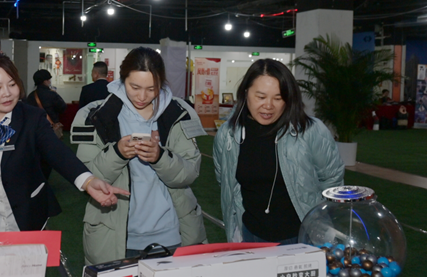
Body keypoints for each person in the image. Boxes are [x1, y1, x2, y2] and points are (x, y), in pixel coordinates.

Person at [0, 53, 129, 233]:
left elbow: (57, 152)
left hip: (26, 219)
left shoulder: (32, 118)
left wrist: (88, 181)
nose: (7, 93)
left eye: (12, 84)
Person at [72, 47, 208, 265]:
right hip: (114, 237)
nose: (142, 97)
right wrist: (117, 153)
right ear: (122, 79)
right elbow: (86, 177)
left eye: (151, 89)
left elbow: (189, 173)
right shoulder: (96, 115)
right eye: (134, 87)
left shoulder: (178, 113)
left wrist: (160, 157)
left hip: (172, 235)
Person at [213, 59, 345, 244]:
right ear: (245, 92)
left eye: (278, 98)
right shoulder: (228, 134)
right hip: (250, 235)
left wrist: (320, 225)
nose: (268, 105)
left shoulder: (311, 131)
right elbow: (224, 180)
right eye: (261, 97)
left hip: (303, 237)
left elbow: (332, 180)